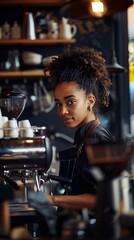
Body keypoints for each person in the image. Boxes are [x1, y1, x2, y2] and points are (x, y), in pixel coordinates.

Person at [44, 46, 114, 210]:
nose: (63, 111)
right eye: (58, 104)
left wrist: (53, 199)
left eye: (70, 102)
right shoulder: (85, 135)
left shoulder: (97, 139)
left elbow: (102, 198)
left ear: (90, 101)